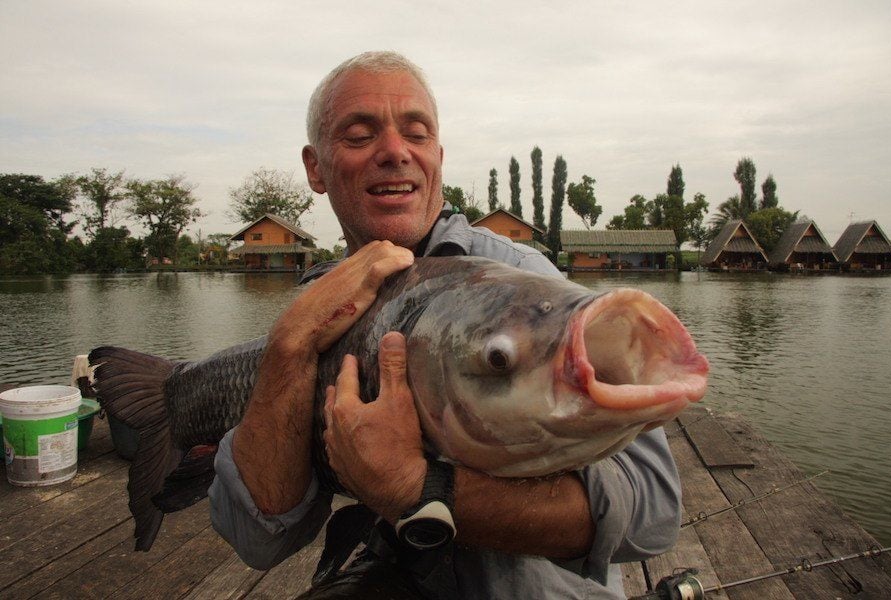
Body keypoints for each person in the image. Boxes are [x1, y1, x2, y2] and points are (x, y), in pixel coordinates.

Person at [208, 51, 681, 599]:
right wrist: (288, 348)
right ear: (316, 167)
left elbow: (654, 510)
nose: (394, 152)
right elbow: (259, 541)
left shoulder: (517, 279)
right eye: (360, 135)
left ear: (437, 154)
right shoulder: (314, 309)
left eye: (416, 132)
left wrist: (416, 487)